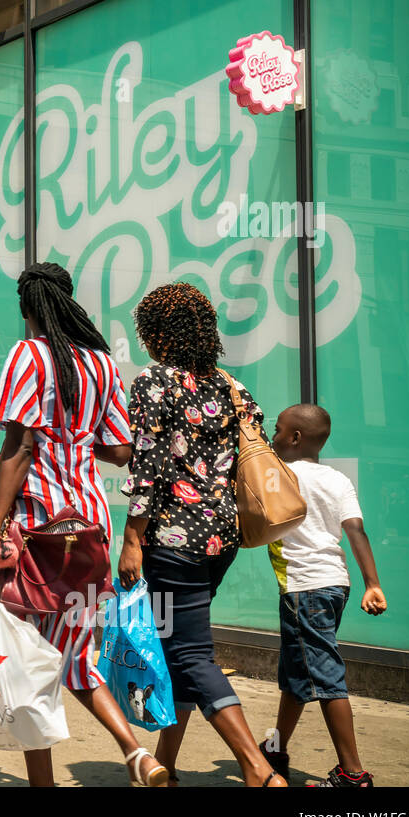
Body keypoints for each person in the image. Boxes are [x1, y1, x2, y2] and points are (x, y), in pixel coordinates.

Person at [0, 262, 168, 788]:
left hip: (37, 528)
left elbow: (19, 446)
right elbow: (123, 449)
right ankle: (138, 755)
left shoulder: (28, 355)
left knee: (26, 660)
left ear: (27, 308)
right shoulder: (102, 363)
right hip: (88, 527)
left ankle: (43, 784)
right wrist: (76, 436)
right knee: (77, 655)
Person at [117, 282, 286, 787]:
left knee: (190, 654)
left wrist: (131, 539)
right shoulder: (233, 386)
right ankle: (165, 766)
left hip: (171, 539)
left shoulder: (155, 382)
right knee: (179, 649)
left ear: (157, 333)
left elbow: (147, 463)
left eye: (145, 331)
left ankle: (257, 769)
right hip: (222, 539)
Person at [259, 403, 386, 787]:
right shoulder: (337, 480)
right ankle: (275, 750)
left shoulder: (278, 475)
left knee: (325, 677)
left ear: (295, 438)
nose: (273, 435)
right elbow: (355, 531)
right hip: (334, 583)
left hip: (304, 588)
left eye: (278, 429)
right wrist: (373, 583)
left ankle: (353, 774)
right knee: (296, 675)